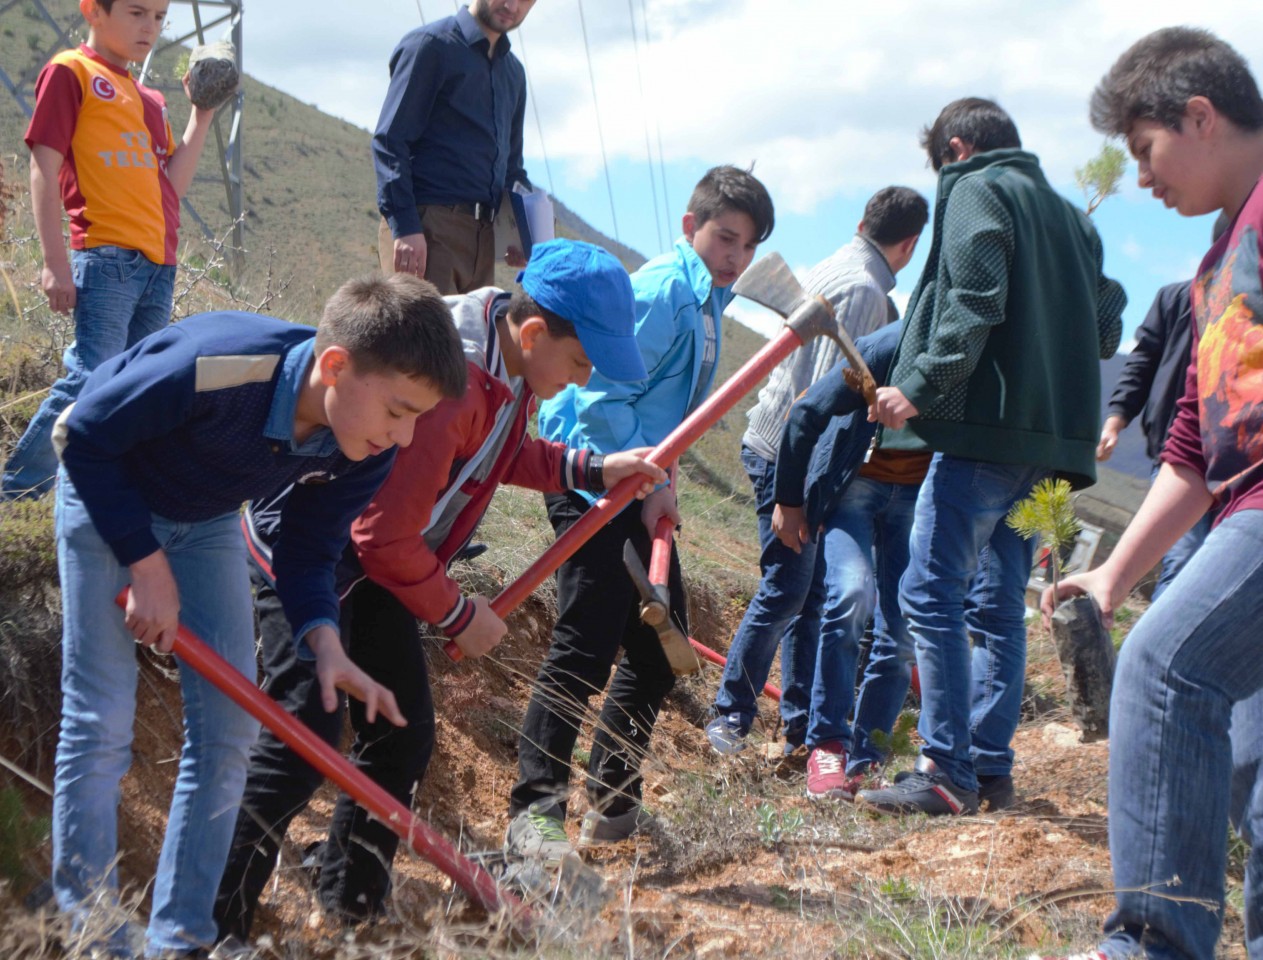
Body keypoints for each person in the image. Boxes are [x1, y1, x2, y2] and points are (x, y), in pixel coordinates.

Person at [213, 240, 664, 939]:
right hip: (310, 555)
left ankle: (350, 908)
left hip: (377, 565)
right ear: (534, 333)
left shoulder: (507, 358)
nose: (582, 381)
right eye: (580, 363)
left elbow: (500, 451)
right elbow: (381, 535)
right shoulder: (455, 382)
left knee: (399, 733)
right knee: (303, 731)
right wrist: (457, 615)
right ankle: (213, 920)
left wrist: (592, 468)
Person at [51, 273, 466, 958]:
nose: (405, 434)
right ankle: (91, 932)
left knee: (230, 733)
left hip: (205, 522)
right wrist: (145, 564)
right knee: (101, 720)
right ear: (336, 366)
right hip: (107, 499)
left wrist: (323, 639)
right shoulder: (219, 366)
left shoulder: (363, 446)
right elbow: (83, 434)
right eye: (398, 410)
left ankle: (182, 939)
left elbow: (309, 547)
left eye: (418, 417)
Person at [1039, 26, 1263, 960]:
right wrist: (1111, 578)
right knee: (1247, 761)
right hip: (1237, 501)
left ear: (1199, 116)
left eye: (1143, 150)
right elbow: (1190, 451)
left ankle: (1152, 945)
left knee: (1167, 670)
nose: (1139, 178)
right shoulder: (1217, 263)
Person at [856, 97, 1125, 817]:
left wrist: (917, 385)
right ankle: (987, 767)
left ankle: (945, 768)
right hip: (1049, 450)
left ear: (956, 148)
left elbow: (973, 299)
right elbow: (1107, 325)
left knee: (928, 591)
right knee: (998, 604)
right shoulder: (1072, 218)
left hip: (988, 435)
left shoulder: (977, 186)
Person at [506, 165, 775, 859]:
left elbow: (663, 410)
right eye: (725, 237)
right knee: (584, 647)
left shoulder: (707, 302)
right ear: (691, 227)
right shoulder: (663, 291)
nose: (735, 256)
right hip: (589, 477)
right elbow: (601, 400)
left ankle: (613, 803)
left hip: (637, 482)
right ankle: (535, 813)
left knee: (659, 652)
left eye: (748, 246)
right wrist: (643, 479)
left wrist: (661, 479)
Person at [704, 186, 927, 760]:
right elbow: (819, 402)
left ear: (863, 220)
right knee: (788, 589)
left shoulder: (839, 264)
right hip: (790, 456)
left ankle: (799, 725)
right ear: (909, 245)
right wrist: (803, 495)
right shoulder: (865, 290)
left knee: (810, 594)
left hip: (783, 447)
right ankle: (731, 714)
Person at [3, 0, 217, 499]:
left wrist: (202, 115)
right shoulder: (70, 71)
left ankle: (98, 497)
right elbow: (43, 167)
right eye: (137, 13)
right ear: (93, 11)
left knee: (136, 388)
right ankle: (16, 495)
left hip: (160, 263)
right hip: (106, 256)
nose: (150, 27)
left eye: (159, 18)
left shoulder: (150, 98)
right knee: (90, 379)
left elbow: (170, 187)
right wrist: (54, 263)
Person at [769, 319, 930, 802]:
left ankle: (869, 758)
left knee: (901, 630)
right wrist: (789, 500)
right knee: (851, 595)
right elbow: (807, 411)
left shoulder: (970, 360)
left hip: (917, 499)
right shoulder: (887, 346)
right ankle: (827, 745)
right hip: (856, 487)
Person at [372, 0, 535, 294]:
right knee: (420, 325)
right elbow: (390, 141)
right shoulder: (430, 45)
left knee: (469, 328)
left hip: (484, 239)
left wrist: (524, 235)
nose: (512, 5)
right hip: (428, 228)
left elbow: (512, 168)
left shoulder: (514, 73)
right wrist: (406, 226)